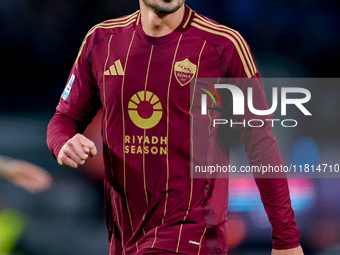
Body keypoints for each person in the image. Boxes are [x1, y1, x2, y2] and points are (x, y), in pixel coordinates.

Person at [47, 0, 304, 254]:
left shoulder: (223, 45)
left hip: (193, 234)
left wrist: (286, 240)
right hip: (124, 237)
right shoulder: (102, 40)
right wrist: (63, 143)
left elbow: (260, 143)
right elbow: (64, 119)